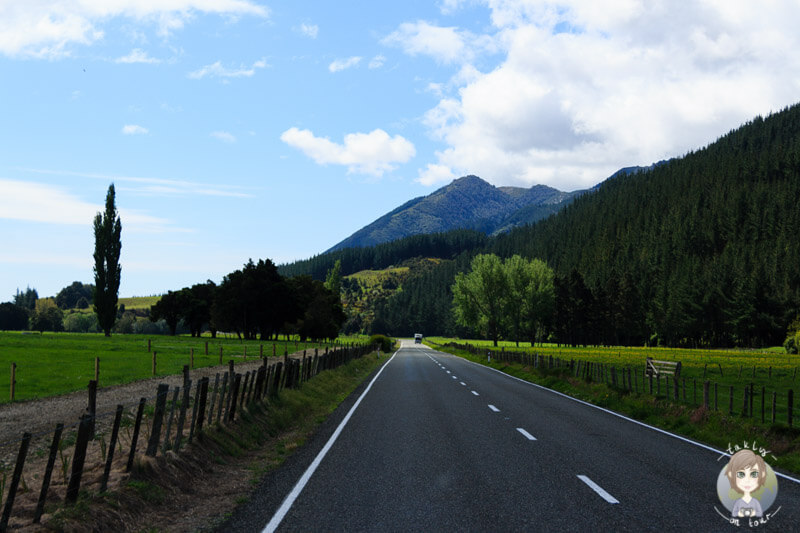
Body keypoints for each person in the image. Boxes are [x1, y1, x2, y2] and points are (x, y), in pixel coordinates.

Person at [725, 449, 767, 518]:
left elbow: (759, 513)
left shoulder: (755, 502)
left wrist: (753, 513)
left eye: (754, 474)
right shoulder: (739, 502)